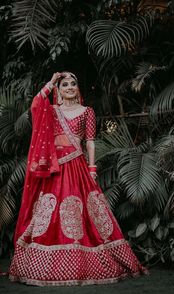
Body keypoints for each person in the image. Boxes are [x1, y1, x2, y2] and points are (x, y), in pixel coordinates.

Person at [9, 72, 148, 286]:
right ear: (59, 90)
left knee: (85, 213)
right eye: (64, 84)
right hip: (55, 171)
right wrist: (50, 82)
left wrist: (92, 168)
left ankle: (87, 263)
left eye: (73, 83)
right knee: (50, 214)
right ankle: (44, 265)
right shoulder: (52, 111)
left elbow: (90, 141)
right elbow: (36, 105)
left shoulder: (87, 112)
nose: (70, 87)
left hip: (77, 167)